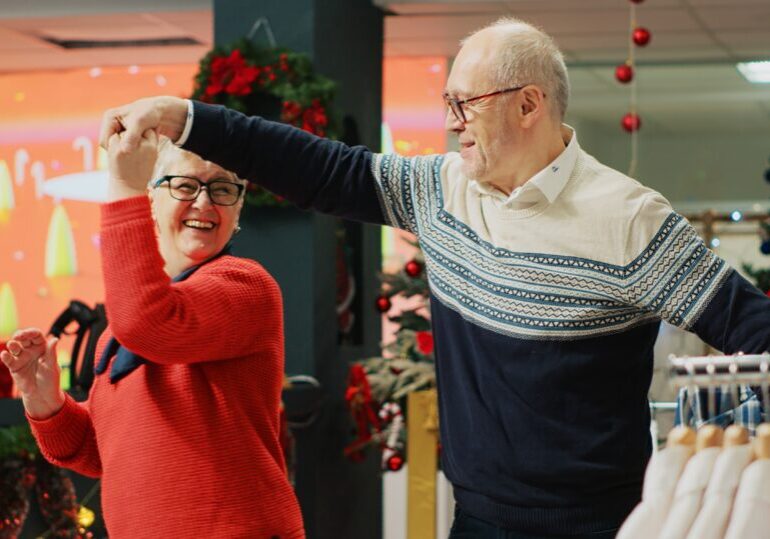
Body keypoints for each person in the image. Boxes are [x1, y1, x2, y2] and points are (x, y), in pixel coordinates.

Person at [98, 17, 770, 539]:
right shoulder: (441, 189)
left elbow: (753, 329)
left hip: (599, 523)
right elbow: (320, 168)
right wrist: (189, 118)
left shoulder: (629, 218)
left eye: (464, 103)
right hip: (475, 518)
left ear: (529, 104)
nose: (450, 121)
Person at [0, 135, 304, 538]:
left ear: (239, 207)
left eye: (223, 188)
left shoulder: (245, 285)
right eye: (185, 185)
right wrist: (46, 402)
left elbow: (149, 322)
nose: (204, 202)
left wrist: (121, 188)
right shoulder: (121, 330)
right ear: (152, 199)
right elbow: (100, 451)